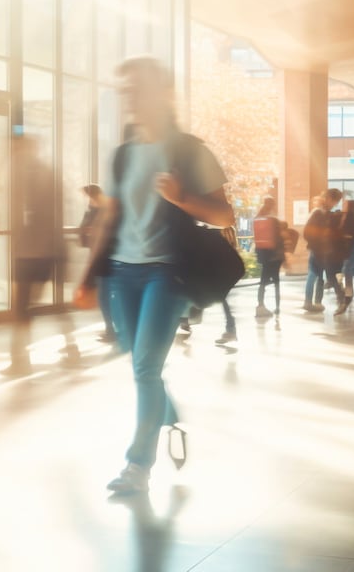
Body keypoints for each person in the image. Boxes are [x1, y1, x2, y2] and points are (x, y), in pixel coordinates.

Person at [74, 56, 233, 495]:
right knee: (137, 359)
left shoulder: (190, 149)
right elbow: (111, 217)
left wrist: (182, 199)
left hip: (167, 273)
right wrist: (89, 275)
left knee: (145, 367)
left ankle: (137, 466)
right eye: (125, 89)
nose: (130, 97)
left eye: (138, 88)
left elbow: (224, 216)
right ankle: (168, 414)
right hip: (121, 274)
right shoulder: (124, 154)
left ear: (163, 94)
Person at [1, 134, 67, 377]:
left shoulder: (37, 175)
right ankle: (67, 348)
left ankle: (21, 360)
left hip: (37, 251)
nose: (14, 153)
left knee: (23, 308)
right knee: (27, 308)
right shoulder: (31, 173)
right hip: (33, 250)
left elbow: (40, 213)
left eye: (17, 148)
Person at [79, 185, 118, 344]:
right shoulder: (95, 210)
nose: (89, 200)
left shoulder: (106, 211)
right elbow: (84, 231)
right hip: (102, 259)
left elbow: (98, 233)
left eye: (90, 197)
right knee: (105, 296)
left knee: (105, 296)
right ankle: (111, 329)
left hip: (106, 260)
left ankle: (112, 330)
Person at [252, 197, 283, 319]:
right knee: (276, 282)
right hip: (274, 256)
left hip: (263, 255)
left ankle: (260, 306)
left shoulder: (257, 218)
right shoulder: (274, 220)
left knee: (263, 282)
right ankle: (277, 307)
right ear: (273, 205)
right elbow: (279, 239)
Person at [301, 194, 331, 313]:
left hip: (317, 249)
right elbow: (310, 232)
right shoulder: (319, 214)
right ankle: (315, 302)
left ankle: (311, 301)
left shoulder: (316, 213)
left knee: (315, 275)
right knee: (316, 275)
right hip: (319, 249)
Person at [336, 198, 354, 316]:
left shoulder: (349, 217)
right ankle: (348, 295)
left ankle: (345, 296)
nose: (343, 205)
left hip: (346, 249)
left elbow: (346, 233)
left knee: (343, 272)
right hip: (350, 249)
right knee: (348, 274)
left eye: (345, 204)